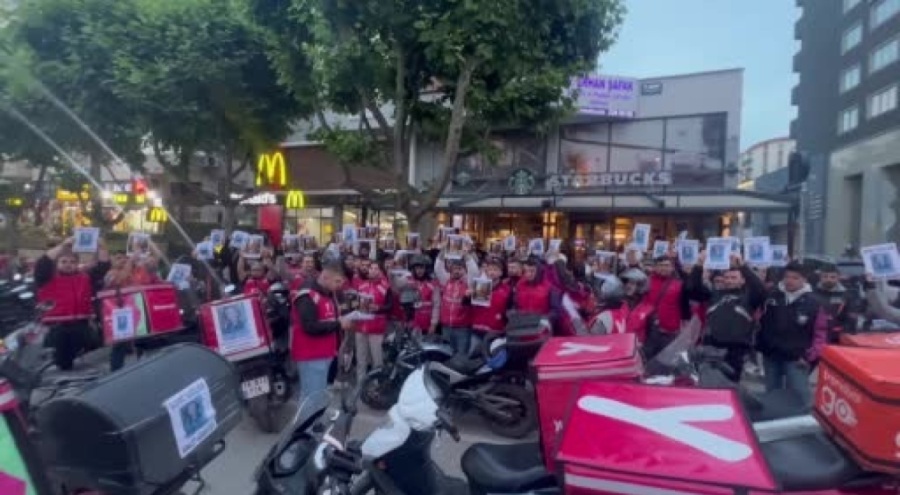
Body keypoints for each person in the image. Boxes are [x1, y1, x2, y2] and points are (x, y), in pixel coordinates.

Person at [756, 261, 827, 408]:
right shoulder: (771, 297)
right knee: (772, 394)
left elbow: (821, 334)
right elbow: (758, 321)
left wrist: (810, 357)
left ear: (804, 280)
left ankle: (803, 425)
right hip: (771, 356)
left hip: (797, 360)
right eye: (787, 277)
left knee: (800, 396)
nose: (790, 281)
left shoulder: (814, 303)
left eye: (795, 278)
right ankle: (772, 423)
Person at [688, 253, 766, 382]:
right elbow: (692, 289)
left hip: (735, 351)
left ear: (742, 280)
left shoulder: (750, 297)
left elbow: (760, 290)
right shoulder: (713, 294)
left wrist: (743, 267)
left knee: (729, 385)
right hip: (711, 348)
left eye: (734, 278)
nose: (729, 280)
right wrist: (698, 266)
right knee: (708, 383)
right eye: (727, 277)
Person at [35, 237, 110, 370]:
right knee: (63, 366)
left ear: (77, 263)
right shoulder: (46, 278)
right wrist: (63, 245)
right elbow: (43, 262)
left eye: (72, 262)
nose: (68, 264)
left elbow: (103, 266)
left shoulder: (85, 278)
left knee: (89, 363)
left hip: (81, 328)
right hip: (58, 329)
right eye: (64, 261)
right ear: (56, 263)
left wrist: (101, 246)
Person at [291, 262, 356, 403]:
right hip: (311, 356)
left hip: (324, 354)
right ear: (325, 277)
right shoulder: (307, 295)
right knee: (311, 398)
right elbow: (309, 326)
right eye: (337, 281)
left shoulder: (328, 294)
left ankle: (315, 423)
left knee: (318, 396)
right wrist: (338, 323)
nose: (340, 285)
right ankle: (308, 425)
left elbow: (326, 319)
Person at [641, 256, 690, 360]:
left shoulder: (680, 284)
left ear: (672, 268)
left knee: (666, 362)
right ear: (655, 267)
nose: (664, 268)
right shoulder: (647, 281)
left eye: (667, 265)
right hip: (650, 330)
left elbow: (685, 308)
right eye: (661, 265)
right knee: (646, 359)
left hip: (670, 332)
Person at [434, 251, 479, 355]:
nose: (457, 271)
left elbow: (474, 270)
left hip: (462, 328)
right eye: (454, 268)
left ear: (465, 270)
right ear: (450, 270)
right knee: (446, 355)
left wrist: (465, 254)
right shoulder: (445, 281)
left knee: (461, 356)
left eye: (460, 269)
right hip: (446, 327)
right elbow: (438, 268)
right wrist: (444, 250)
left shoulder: (469, 282)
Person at [354, 261, 393, 382]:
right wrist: (357, 306)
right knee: (361, 358)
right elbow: (354, 303)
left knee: (377, 359)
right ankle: (360, 384)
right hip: (360, 327)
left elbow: (389, 306)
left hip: (376, 328)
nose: (373, 271)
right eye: (371, 268)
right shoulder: (361, 285)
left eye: (376, 268)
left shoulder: (386, 287)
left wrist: (378, 308)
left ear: (380, 271)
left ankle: (377, 385)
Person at [470, 257, 512, 352]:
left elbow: (509, 310)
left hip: (496, 332)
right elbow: (467, 305)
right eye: (490, 269)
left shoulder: (507, 290)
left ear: (501, 272)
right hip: (477, 330)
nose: (492, 272)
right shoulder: (478, 285)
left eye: (495, 270)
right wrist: (467, 296)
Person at [813, 263, 855, 344]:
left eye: (832, 277)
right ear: (820, 277)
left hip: (837, 339)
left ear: (838, 278)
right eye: (825, 276)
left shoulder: (846, 295)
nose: (829, 279)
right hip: (815, 338)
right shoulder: (812, 294)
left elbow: (851, 319)